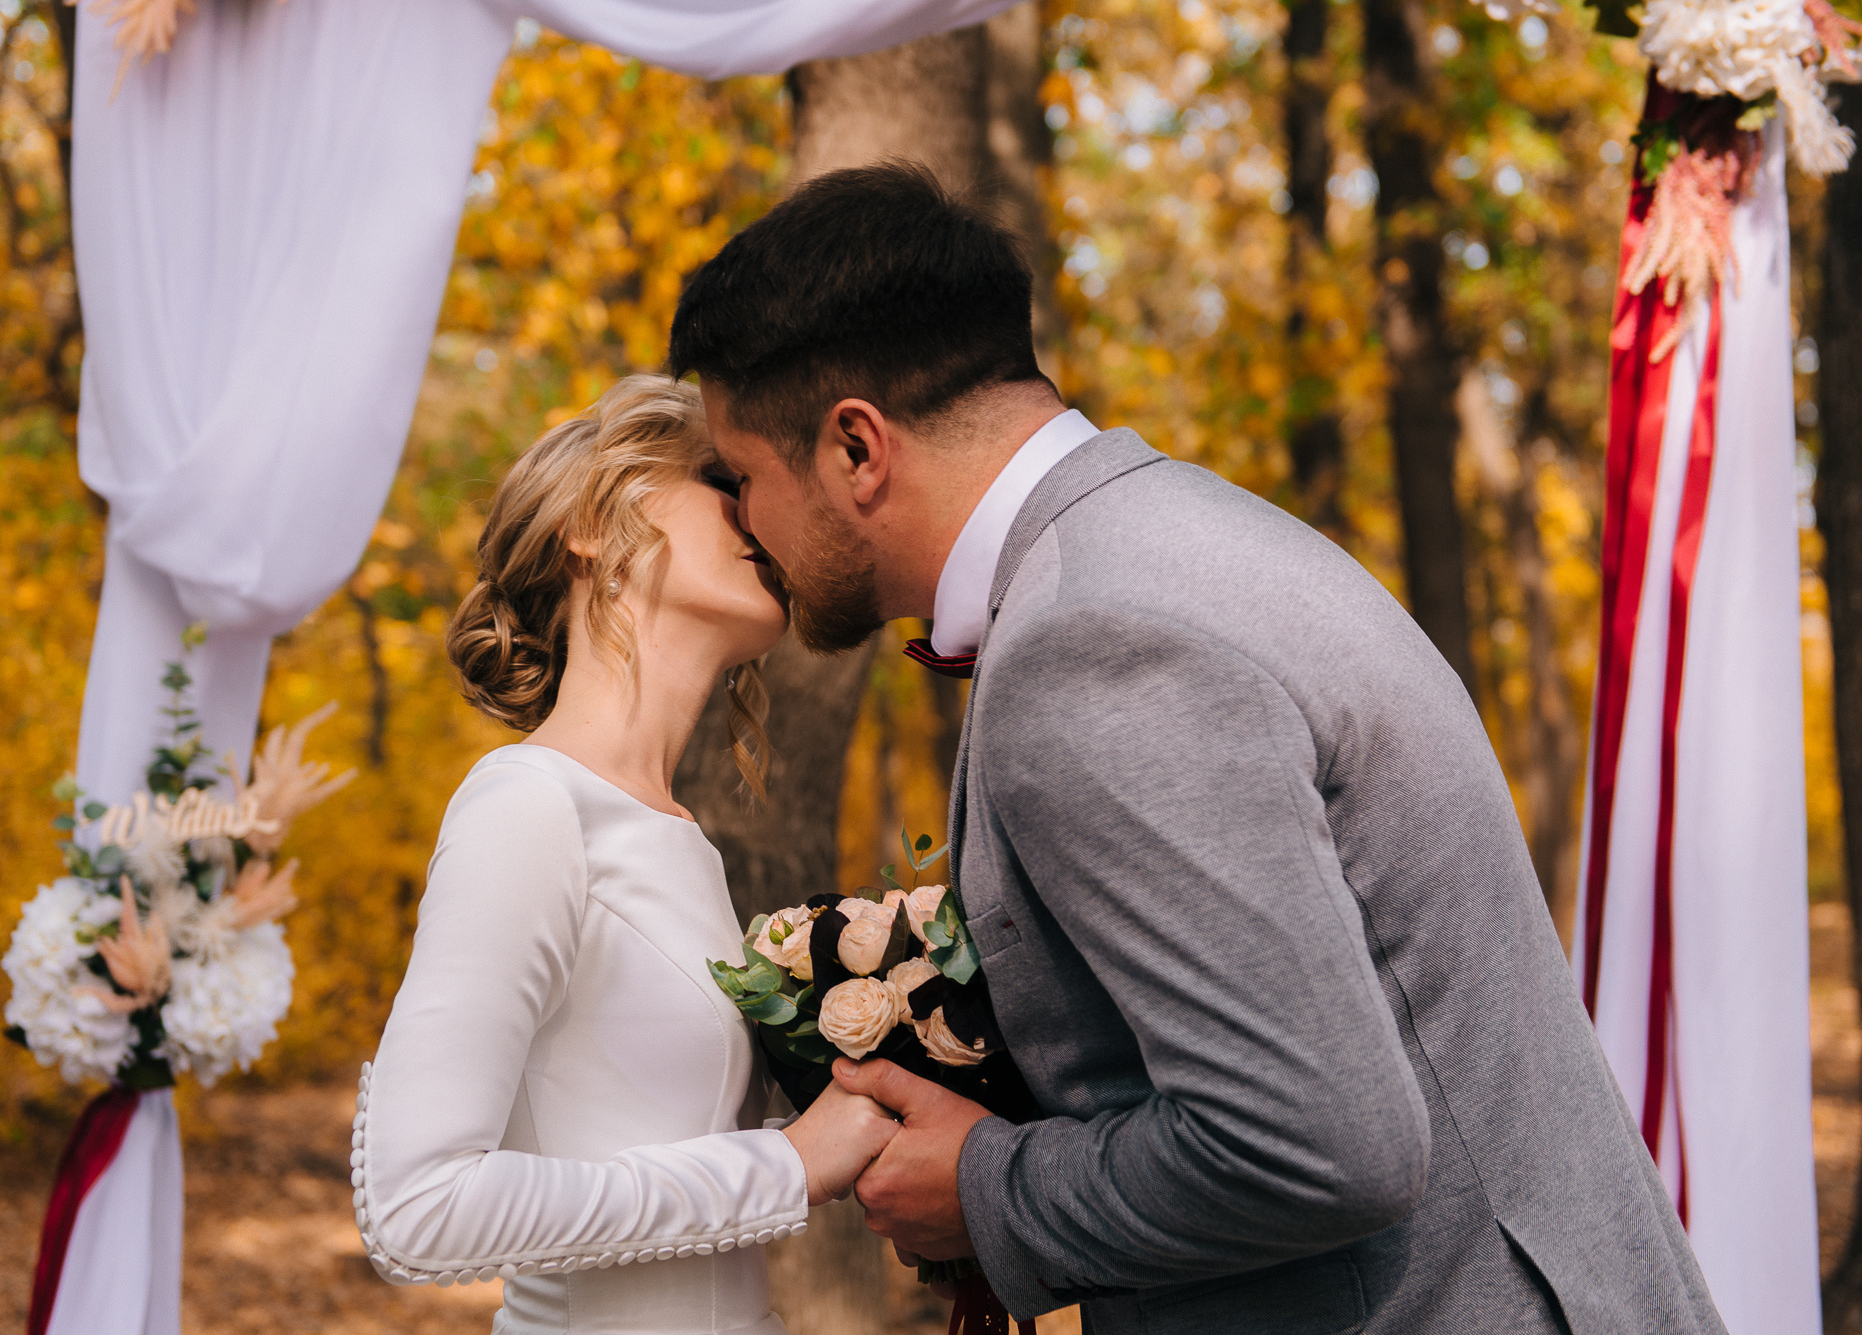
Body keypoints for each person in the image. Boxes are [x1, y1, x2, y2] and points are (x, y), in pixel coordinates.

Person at [666, 161, 1727, 1333]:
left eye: (745, 477)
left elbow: (1319, 1144)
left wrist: (988, 1191)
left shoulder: (1095, 645)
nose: (745, 525)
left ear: (856, 449)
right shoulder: (1189, 534)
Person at [353, 375, 897, 1335]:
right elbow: (418, 1207)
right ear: (591, 526)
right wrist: (787, 1166)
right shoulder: (526, 806)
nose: (761, 512)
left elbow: (636, 1146)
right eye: (723, 479)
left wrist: (869, 1136)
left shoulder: (680, 839)